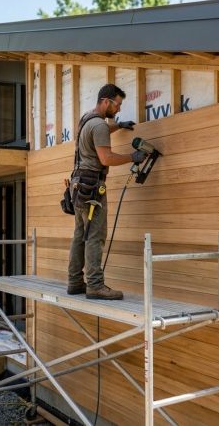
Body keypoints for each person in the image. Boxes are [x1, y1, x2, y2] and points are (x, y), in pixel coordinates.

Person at [67, 84, 147, 300]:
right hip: (93, 188)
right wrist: (133, 157)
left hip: (78, 186)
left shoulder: (87, 119)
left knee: (80, 235)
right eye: (117, 105)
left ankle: (75, 282)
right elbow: (106, 158)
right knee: (95, 235)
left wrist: (118, 126)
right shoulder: (100, 126)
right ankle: (94, 285)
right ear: (106, 101)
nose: (119, 109)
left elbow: (98, 131)